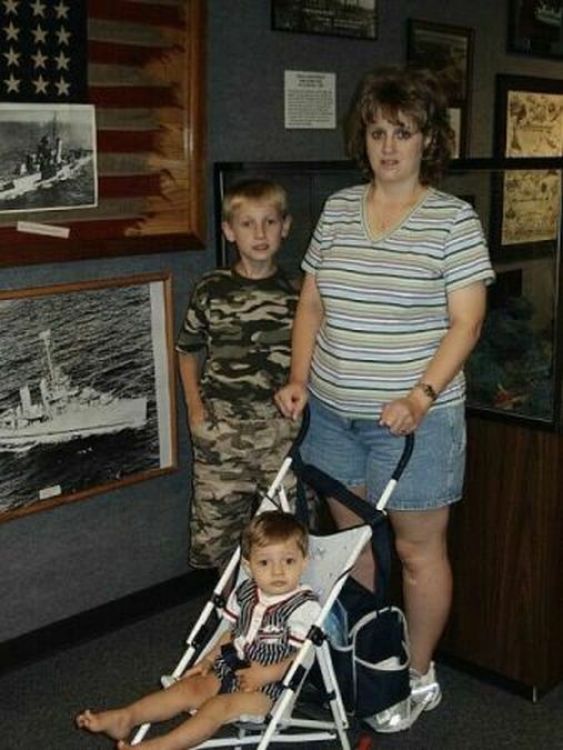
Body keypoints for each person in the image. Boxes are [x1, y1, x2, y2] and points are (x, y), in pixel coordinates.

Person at [275, 66, 495, 732]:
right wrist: (298, 377)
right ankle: (371, 661)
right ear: (362, 139)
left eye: (403, 132)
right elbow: (311, 304)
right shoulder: (339, 209)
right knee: (354, 548)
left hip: (413, 424)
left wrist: (420, 397)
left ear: (428, 139)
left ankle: (418, 672)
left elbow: (467, 324)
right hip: (333, 417)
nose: (389, 147)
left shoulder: (452, 221)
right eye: (377, 133)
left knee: (416, 554)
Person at [76, 511, 321, 749]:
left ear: (304, 562)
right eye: (265, 562)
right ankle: (126, 717)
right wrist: (208, 659)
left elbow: (303, 655)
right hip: (230, 665)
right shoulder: (246, 591)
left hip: (269, 686)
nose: (278, 571)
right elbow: (231, 633)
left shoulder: (302, 606)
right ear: (248, 566)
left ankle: (160, 747)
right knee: (187, 689)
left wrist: (266, 675)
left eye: (289, 561)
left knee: (216, 707)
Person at [176, 179, 300, 571]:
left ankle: (279, 609)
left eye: (269, 222)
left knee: (284, 539)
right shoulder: (211, 289)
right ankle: (228, 608)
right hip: (221, 435)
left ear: (285, 226)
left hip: (279, 434)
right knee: (218, 541)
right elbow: (187, 350)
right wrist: (195, 410)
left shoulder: (298, 292)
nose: (259, 234)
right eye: (247, 224)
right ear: (230, 231)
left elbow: (313, 355)